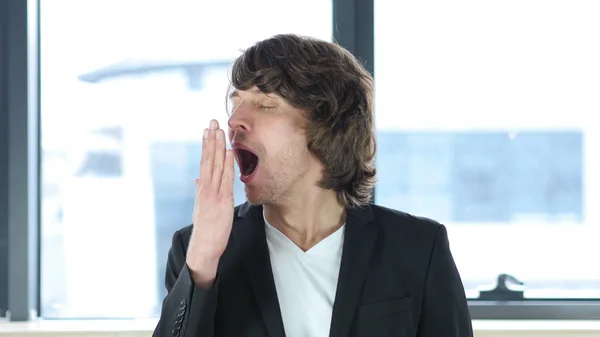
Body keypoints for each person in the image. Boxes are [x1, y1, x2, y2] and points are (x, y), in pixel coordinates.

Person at [153, 34, 473, 337]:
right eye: (235, 104)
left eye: (265, 104)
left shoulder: (418, 248)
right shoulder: (194, 249)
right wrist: (202, 264)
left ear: (327, 125)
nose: (234, 120)